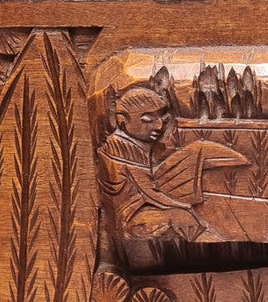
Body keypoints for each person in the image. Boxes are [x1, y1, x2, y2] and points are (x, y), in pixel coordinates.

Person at [97, 84, 244, 241]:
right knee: (181, 216)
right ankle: (209, 241)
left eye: (161, 119)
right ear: (123, 120)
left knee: (196, 152)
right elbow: (150, 193)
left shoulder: (133, 143)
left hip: (143, 207)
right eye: (147, 120)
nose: (159, 126)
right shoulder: (121, 148)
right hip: (129, 218)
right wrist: (182, 206)